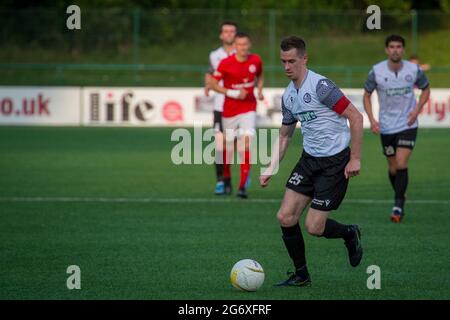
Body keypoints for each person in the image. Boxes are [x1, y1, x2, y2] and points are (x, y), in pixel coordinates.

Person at [259, 36, 364, 286]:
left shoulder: (321, 87)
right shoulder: (288, 96)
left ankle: (349, 232)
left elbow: (356, 117)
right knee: (285, 217)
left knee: (315, 227)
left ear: (304, 59)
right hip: (309, 160)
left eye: (292, 61)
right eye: (283, 61)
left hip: (335, 163)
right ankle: (301, 275)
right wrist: (271, 167)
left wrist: (355, 158)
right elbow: (285, 136)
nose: (287, 67)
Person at [363, 35, 430, 223]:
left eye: (399, 46)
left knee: (401, 163)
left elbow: (426, 89)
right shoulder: (376, 71)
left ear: (403, 49)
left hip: (408, 124)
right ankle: (401, 192)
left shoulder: (414, 69)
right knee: (393, 168)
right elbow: (366, 95)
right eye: (391, 46)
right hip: (386, 126)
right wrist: (372, 119)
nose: (395, 50)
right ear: (386, 50)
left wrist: (416, 111)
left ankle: (398, 204)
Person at [210, 32, 264, 199]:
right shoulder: (226, 63)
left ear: (249, 45)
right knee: (228, 147)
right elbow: (213, 83)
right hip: (230, 110)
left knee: (246, 143)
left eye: (245, 44)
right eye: (239, 44)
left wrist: (260, 90)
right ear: (234, 46)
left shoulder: (256, 60)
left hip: (249, 107)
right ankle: (226, 178)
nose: (242, 47)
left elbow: (260, 75)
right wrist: (232, 93)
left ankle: (242, 187)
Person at [204, 21, 237, 195]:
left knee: (236, 146)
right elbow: (209, 73)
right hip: (220, 106)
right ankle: (221, 181)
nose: (229, 34)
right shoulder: (214, 55)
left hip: (239, 107)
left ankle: (236, 180)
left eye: (232, 31)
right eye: (226, 31)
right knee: (219, 144)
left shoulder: (243, 54)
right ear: (221, 35)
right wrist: (207, 84)